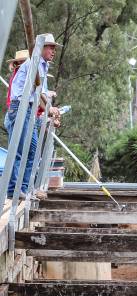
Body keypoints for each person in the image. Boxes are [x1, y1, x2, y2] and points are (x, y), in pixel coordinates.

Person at [6, 35, 60, 199]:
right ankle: (14, 189)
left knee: (31, 150)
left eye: (54, 48)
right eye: (51, 47)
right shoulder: (33, 64)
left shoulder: (42, 66)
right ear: (42, 48)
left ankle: (24, 188)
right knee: (20, 150)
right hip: (21, 107)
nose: (53, 51)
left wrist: (50, 110)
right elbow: (40, 94)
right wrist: (50, 110)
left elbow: (39, 95)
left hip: (28, 108)